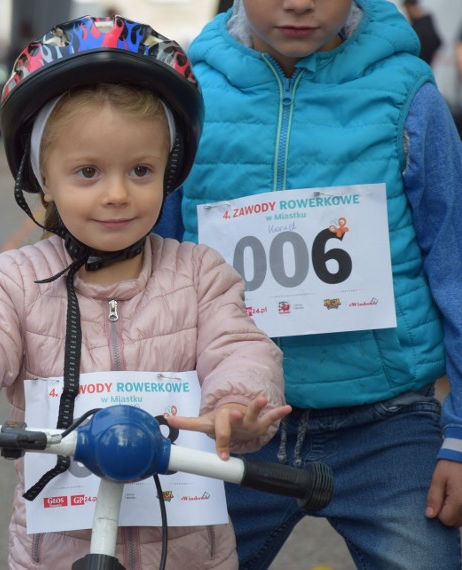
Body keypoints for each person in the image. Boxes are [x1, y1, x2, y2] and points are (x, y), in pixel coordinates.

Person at [0, 15, 291, 570]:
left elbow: (241, 346)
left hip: (187, 554)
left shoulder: (201, 274)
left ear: (170, 172)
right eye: (87, 172)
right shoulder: (15, 281)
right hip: (58, 552)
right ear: (42, 178)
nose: (117, 194)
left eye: (141, 170)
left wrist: (238, 404)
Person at [154, 0, 462, 568]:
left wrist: (460, 437)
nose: (299, 3)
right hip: (229, 420)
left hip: (387, 423)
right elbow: (151, 270)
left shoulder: (408, 99)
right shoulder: (187, 100)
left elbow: (455, 267)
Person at [403, 0, 442, 66]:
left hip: (423, 63)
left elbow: (436, 41)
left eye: (407, 8)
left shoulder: (424, 23)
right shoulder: (419, 24)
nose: (407, 12)